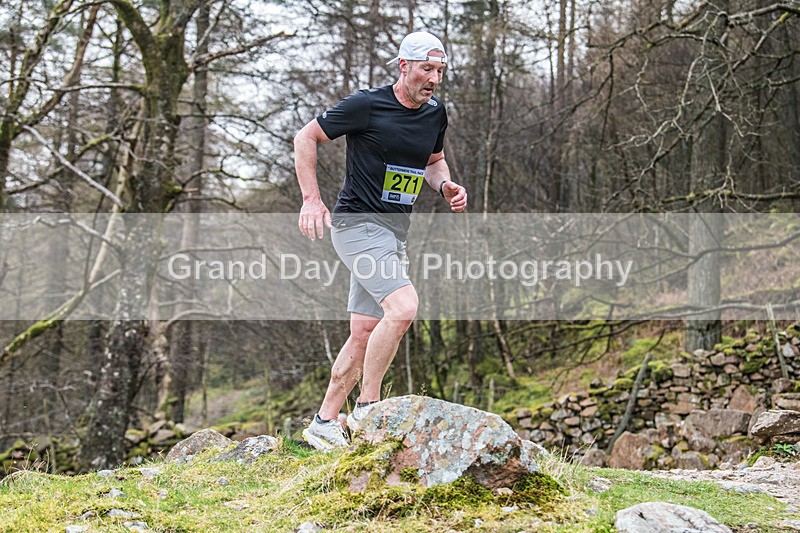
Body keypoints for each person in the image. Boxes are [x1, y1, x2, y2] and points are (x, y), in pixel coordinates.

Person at [294, 31, 467, 450]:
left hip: (393, 232)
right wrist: (311, 201)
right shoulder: (366, 105)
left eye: (440, 71)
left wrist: (444, 186)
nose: (434, 79)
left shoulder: (434, 114)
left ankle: (323, 421)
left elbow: (434, 162)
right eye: (426, 69)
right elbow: (306, 137)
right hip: (357, 225)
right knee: (404, 307)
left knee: (365, 329)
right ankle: (369, 410)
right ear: (403, 66)